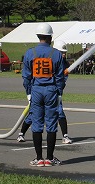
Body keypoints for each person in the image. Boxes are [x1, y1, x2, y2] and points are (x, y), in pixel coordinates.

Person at [22, 23, 65, 167]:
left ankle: (39, 158)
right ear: (50, 37)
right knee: (51, 124)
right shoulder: (56, 54)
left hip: (36, 89)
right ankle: (50, 158)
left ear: (38, 36)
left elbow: (26, 76)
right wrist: (60, 92)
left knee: (37, 123)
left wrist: (28, 92)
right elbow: (60, 77)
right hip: (51, 90)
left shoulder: (30, 53)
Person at [17, 40, 72, 145]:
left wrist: (59, 91)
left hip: (54, 93)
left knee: (60, 112)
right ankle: (21, 133)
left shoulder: (64, 63)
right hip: (41, 91)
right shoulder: (50, 58)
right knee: (33, 115)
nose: (63, 54)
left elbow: (61, 80)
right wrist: (29, 93)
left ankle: (65, 136)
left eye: (64, 52)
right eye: (61, 52)